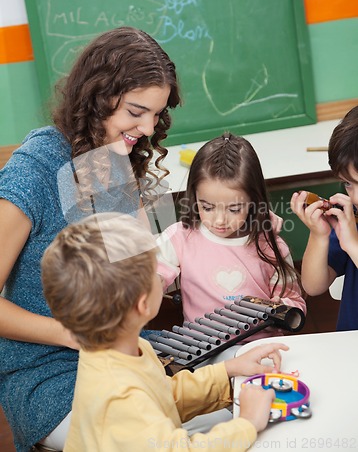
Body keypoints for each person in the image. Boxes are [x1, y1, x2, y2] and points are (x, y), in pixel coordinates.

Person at [0, 26, 181, 452]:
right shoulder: (33, 171)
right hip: (48, 372)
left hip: (119, 353)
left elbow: (140, 265)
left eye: (156, 115)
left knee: (227, 393)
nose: (149, 128)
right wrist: (70, 333)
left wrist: (156, 272)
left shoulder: (115, 156)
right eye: (137, 112)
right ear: (98, 95)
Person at [41, 211, 289, 452]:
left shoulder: (119, 349)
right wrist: (247, 423)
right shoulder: (121, 398)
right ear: (143, 304)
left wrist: (227, 372)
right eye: (155, 273)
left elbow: (165, 394)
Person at [157, 132, 306, 352]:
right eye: (207, 207)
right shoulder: (180, 238)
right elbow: (146, 282)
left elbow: (295, 303)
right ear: (194, 196)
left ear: (253, 202)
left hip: (259, 348)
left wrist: (281, 311)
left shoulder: (271, 245)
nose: (219, 220)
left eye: (234, 209)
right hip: (202, 350)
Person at [291, 106, 358, 331]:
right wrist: (320, 235)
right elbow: (313, 285)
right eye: (349, 184)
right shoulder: (352, 220)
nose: (355, 196)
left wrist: (352, 245)